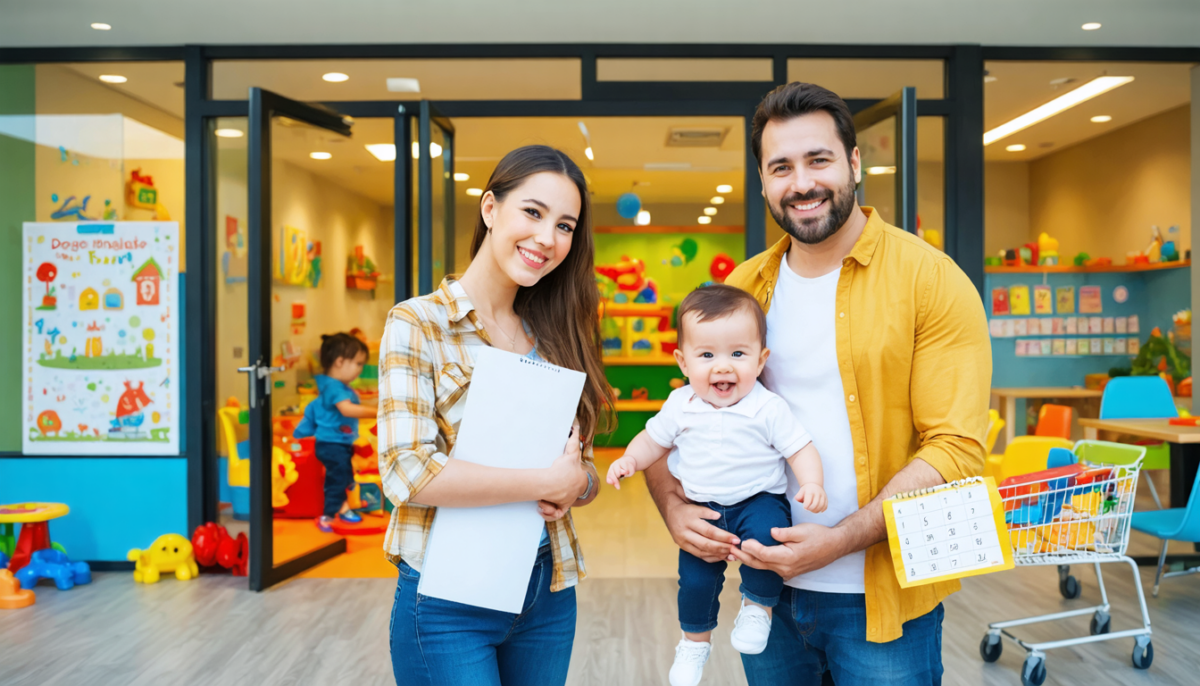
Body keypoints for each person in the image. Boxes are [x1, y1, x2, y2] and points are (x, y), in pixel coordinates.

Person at [645, 81, 991, 686]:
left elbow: (956, 448)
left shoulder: (931, 281)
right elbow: (676, 413)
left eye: (819, 159)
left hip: (883, 600)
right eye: (781, 166)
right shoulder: (744, 289)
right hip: (767, 596)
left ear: (855, 163)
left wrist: (836, 541)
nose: (801, 183)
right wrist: (674, 507)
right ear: (762, 180)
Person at [379, 145, 611, 686]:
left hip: (546, 591)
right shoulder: (419, 324)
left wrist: (576, 482)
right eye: (532, 212)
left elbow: (584, 473)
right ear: (490, 210)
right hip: (446, 599)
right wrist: (542, 481)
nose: (547, 238)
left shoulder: (560, 332)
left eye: (565, 225)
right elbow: (406, 471)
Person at [606, 284, 827, 686]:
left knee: (766, 544)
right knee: (694, 579)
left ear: (761, 361)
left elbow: (800, 448)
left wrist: (812, 482)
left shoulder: (767, 407)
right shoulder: (680, 405)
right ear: (683, 362)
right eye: (706, 355)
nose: (722, 367)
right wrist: (629, 461)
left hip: (758, 500)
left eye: (737, 354)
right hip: (702, 508)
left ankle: (758, 608)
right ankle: (694, 642)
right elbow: (652, 440)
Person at [293, 332, 378, 532]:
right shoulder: (334, 387)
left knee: (346, 476)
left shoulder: (339, 386)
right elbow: (347, 409)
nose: (360, 369)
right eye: (358, 364)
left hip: (339, 443)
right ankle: (328, 516)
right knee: (337, 479)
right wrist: (379, 411)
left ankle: (345, 507)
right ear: (340, 362)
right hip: (331, 444)